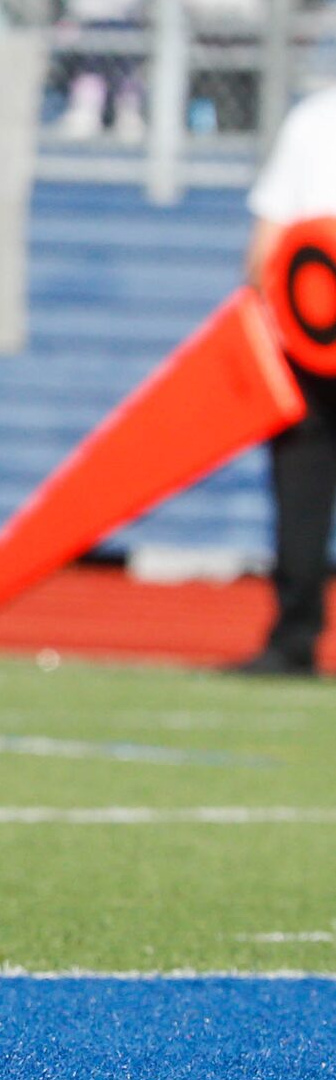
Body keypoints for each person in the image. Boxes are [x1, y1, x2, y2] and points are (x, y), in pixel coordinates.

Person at [243, 86, 336, 676]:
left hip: (309, 336)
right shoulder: (311, 119)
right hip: (307, 343)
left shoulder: (313, 119)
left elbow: (265, 250)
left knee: (300, 495)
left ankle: (293, 640)